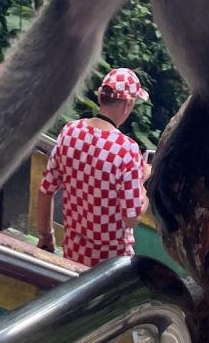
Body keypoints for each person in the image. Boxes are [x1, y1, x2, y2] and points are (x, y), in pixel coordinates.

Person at [37, 68, 150, 267]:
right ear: (128, 104)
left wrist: (46, 235)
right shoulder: (127, 150)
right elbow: (132, 218)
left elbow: (46, 191)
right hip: (110, 267)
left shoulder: (70, 132)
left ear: (100, 97)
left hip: (72, 255)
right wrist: (143, 183)